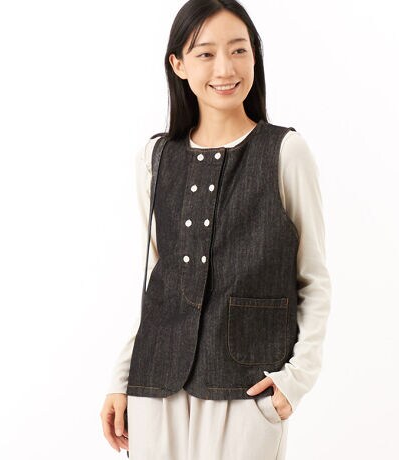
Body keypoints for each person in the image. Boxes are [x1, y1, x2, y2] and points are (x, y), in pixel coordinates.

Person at [100, 1, 332, 459]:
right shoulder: (154, 158)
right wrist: (120, 378)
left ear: (254, 56)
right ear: (178, 64)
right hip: (154, 385)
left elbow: (314, 279)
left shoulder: (286, 152)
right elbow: (155, 283)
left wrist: (296, 379)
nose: (225, 68)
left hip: (247, 385)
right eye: (205, 53)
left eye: (238, 50)